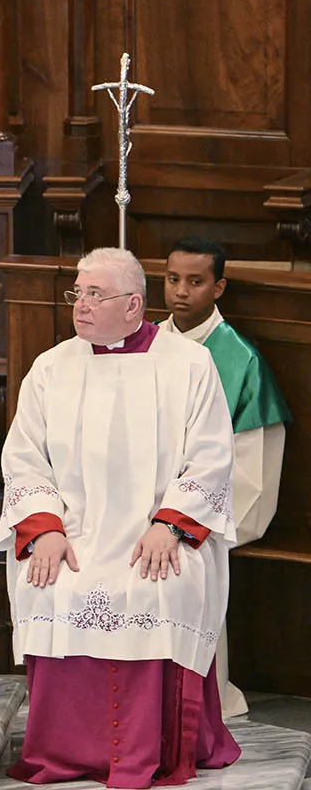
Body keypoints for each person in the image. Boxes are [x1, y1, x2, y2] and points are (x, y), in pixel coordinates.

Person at [0, 247, 241, 787]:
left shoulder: (188, 365)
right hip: (75, 535)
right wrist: (46, 529)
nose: (79, 305)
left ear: (134, 305)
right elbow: (23, 457)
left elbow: (212, 455)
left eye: (93, 294)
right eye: (76, 293)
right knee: (49, 585)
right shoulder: (52, 367)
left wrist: (170, 524)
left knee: (156, 587)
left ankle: (152, 749)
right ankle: (63, 752)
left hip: (155, 536)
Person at [158, 236, 291, 718]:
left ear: (219, 287)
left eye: (195, 282)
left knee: (185, 561)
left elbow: (254, 468)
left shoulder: (240, 360)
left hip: (205, 507)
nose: (181, 292)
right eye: (173, 279)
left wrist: (185, 519)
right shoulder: (145, 345)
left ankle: (195, 703)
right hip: (145, 502)